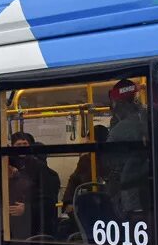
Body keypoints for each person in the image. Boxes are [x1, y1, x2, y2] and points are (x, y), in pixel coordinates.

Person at [105, 79, 150, 215]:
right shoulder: (151, 117)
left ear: (120, 104)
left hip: (129, 190)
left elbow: (109, 161)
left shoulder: (120, 129)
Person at [7, 132, 59, 239]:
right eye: (18, 145)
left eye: (25, 144)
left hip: (34, 224)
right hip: (10, 222)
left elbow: (48, 198)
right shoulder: (6, 166)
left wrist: (27, 208)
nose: (22, 148)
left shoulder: (39, 167)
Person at [63, 124, 108, 210]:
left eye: (89, 139)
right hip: (88, 202)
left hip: (105, 202)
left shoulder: (109, 160)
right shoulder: (86, 160)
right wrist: (68, 201)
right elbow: (74, 180)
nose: (86, 142)